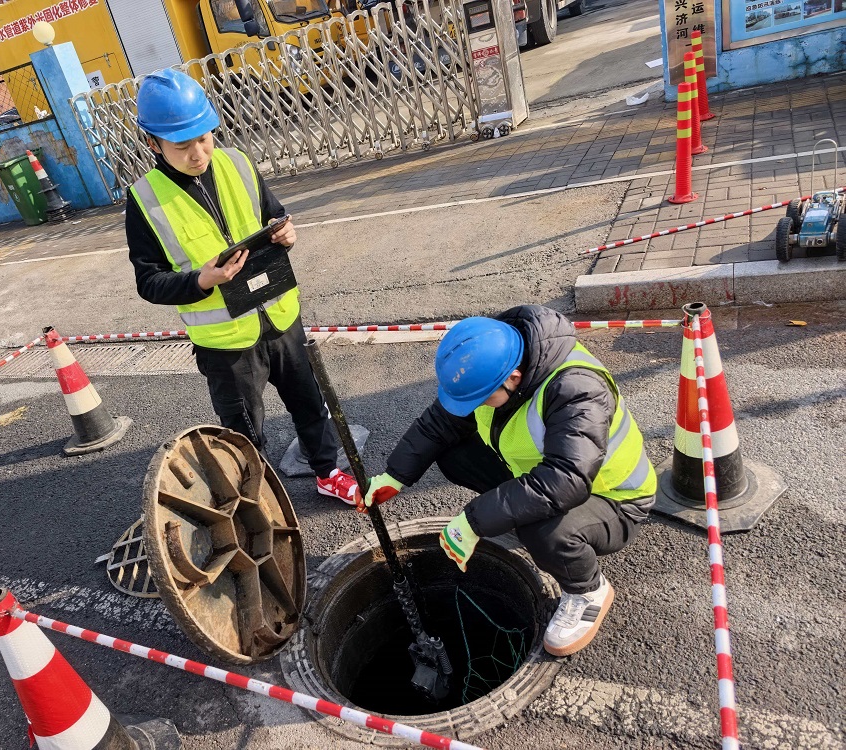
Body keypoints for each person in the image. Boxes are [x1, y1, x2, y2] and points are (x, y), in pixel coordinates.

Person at [360, 305, 656, 656]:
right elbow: (439, 423)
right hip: (547, 479)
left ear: (513, 377)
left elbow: (567, 479)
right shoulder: (492, 362)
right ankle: (522, 515)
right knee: (455, 455)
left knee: (544, 531)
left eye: (481, 398)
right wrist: (395, 475)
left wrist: (473, 520)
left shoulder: (576, 390)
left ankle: (587, 590)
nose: (474, 406)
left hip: (614, 499)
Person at [126, 69, 358, 504]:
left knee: (310, 404)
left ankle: (327, 471)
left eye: (205, 138)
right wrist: (201, 280)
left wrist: (287, 232)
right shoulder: (145, 199)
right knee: (244, 432)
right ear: (154, 143)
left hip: (280, 315)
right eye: (183, 146)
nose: (198, 153)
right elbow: (148, 281)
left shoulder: (236, 162)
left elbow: (274, 215)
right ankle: (260, 502)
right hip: (226, 342)